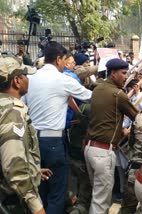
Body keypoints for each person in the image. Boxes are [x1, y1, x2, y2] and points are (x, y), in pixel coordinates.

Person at [23, 41, 92, 214]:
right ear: (59, 59)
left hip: (32, 140)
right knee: (57, 191)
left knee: (40, 188)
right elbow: (89, 96)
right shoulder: (63, 80)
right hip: (53, 141)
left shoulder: (30, 79)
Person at [85, 58, 139, 214]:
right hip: (103, 152)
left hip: (90, 149)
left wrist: (120, 130)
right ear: (113, 73)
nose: (125, 76)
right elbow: (138, 118)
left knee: (97, 196)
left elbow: (104, 118)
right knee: (101, 202)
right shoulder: (118, 94)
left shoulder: (97, 89)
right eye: (123, 73)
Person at [0, 55, 46, 214]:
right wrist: (36, 207)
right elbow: (14, 166)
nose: (28, 79)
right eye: (25, 75)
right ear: (16, 81)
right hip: (12, 202)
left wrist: (34, 169)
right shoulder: (13, 112)